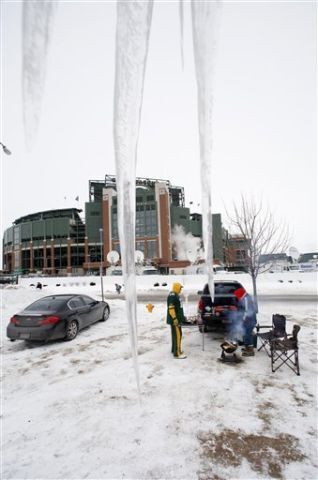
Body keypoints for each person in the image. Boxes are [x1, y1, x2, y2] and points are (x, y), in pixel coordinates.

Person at [233, 287, 257, 356]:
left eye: (237, 295)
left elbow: (247, 311)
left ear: (240, 294)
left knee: (247, 334)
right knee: (246, 334)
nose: (237, 297)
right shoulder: (245, 297)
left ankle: (250, 351)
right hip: (248, 320)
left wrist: (243, 319)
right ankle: (247, 348)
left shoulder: (246, 299)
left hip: (250, 320)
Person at [166, 282, 187, 359]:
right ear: (176, 287)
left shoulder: (176, 295)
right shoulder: (173, 296)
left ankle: (174, 350)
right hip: (175, 320)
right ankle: (177, 354)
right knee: (178, 335)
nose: (181, 289)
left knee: (175, 335)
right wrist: (175, 318)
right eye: (180, 288)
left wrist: (182, 317)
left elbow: (178, 308)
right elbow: (171, 308)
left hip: (177, 319)